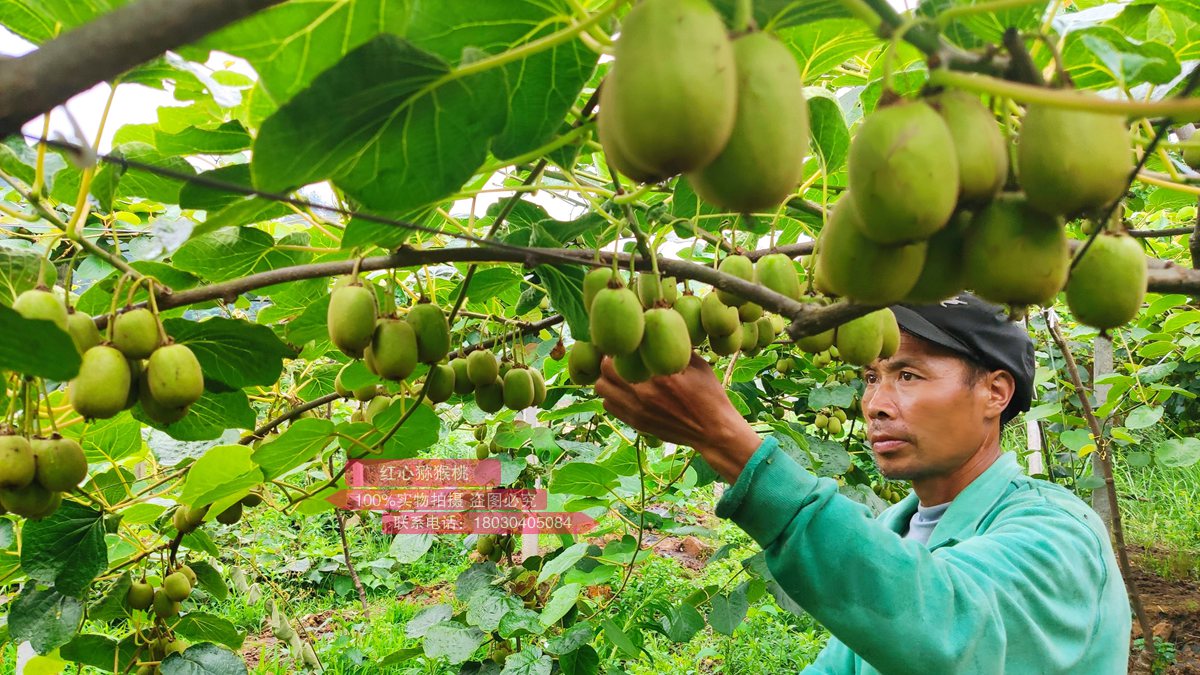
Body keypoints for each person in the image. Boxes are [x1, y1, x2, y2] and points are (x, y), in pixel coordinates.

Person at [594, 292, 1131, 674]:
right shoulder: (892, 533)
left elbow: (950, 632)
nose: (874, 404)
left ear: (995, 392)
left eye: (908, 375)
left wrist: (730, 444)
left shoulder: (1060, 531)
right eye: (872, 377)